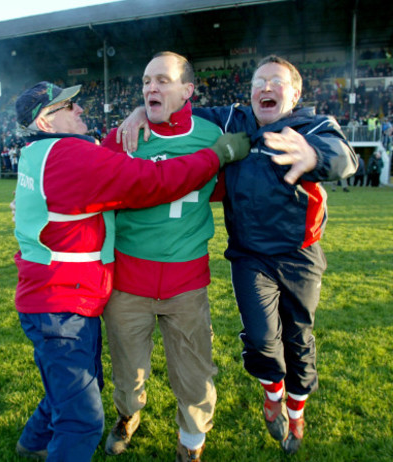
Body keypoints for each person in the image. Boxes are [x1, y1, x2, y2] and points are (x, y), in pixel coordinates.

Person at [118, 54, 357, 455]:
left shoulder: (312, 126)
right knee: (263, 339)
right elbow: (180, 104)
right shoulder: (235, 120)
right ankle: (272, 393)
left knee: (298, 337)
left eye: (276, 82)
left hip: (300, 256)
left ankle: (296, 412)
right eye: (258, 82)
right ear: (249, 93)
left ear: (295, 93)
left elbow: (344, 155)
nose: (266, 88)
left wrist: (315, 156)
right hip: (249, 256)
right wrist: (141, 108)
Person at [11, 80, 248, 462]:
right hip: (62, 302)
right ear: (45, 122)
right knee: (83, 418)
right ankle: (49, 441)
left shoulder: (41, 152)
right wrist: (216, 156)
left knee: (77, 383)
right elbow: (153, 181)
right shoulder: (70, 156)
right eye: (68, 107)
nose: (79, 109)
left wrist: (141, 114)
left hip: (58, 296)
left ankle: (33, 441)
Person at [101, 52, 248, 462]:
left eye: (163, 80)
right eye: (147, 81)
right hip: (128, 282)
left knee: (195, 374)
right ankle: (127, 415)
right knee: (128, 373)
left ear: (188, 91)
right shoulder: (122, 138)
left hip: (186, 282)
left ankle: (191, 444)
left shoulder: (211, 134)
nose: (151, 88)